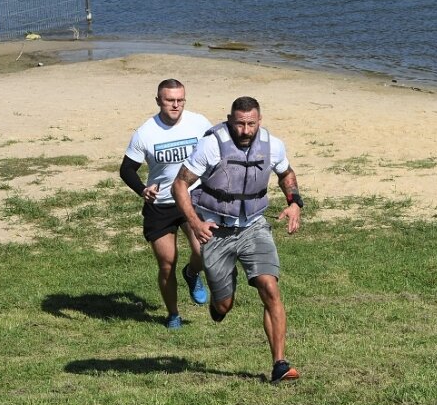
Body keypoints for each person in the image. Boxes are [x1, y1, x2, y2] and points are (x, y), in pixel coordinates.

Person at [172, 96, 304, 384]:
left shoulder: (273, 145)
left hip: (254, 227)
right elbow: (180, 184)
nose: (245, 130)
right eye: (240, 123)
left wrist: (294, 202)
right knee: (223, 306)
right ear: (230, 120)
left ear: (259, 121)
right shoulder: (211, 145)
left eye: (251, 124)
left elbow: (286, 173)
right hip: (216, 230)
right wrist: (194, 222)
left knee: (270, 287)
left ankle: (280, 364)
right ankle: (200, 279)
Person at [119, 78, 212, 329]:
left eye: (180, 100)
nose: (175, 105)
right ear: (158, 100)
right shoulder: (146, 132)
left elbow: (216, 152)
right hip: (160, 204)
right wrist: (142, 189)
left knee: (205, 251)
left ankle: (192, 273)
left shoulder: (200, 123)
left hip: (192, 198)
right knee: (167, 262)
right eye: (170, 100)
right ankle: (173, 314)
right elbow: (126, 169)